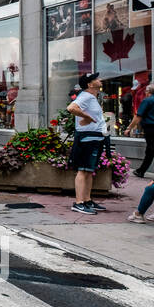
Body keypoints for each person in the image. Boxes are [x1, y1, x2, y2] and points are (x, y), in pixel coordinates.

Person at [67, 72, 108, 215]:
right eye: (96, 79)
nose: (100, 80)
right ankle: (78, 203)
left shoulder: (91, 98)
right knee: (83, 170)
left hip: (94, 138)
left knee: (89, 171)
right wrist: (87, 117)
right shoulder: (85, 96)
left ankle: (87, 200)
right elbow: (71, 108)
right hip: (87, 138)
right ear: (90, 84)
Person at [126, 82, 154, 178]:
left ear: (148, 92)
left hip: (151, 129)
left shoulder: (147, 101)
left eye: (146, 91)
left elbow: (138, 117)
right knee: (150, 151)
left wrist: (129, 128)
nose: (145, 93)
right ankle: (141, 171)